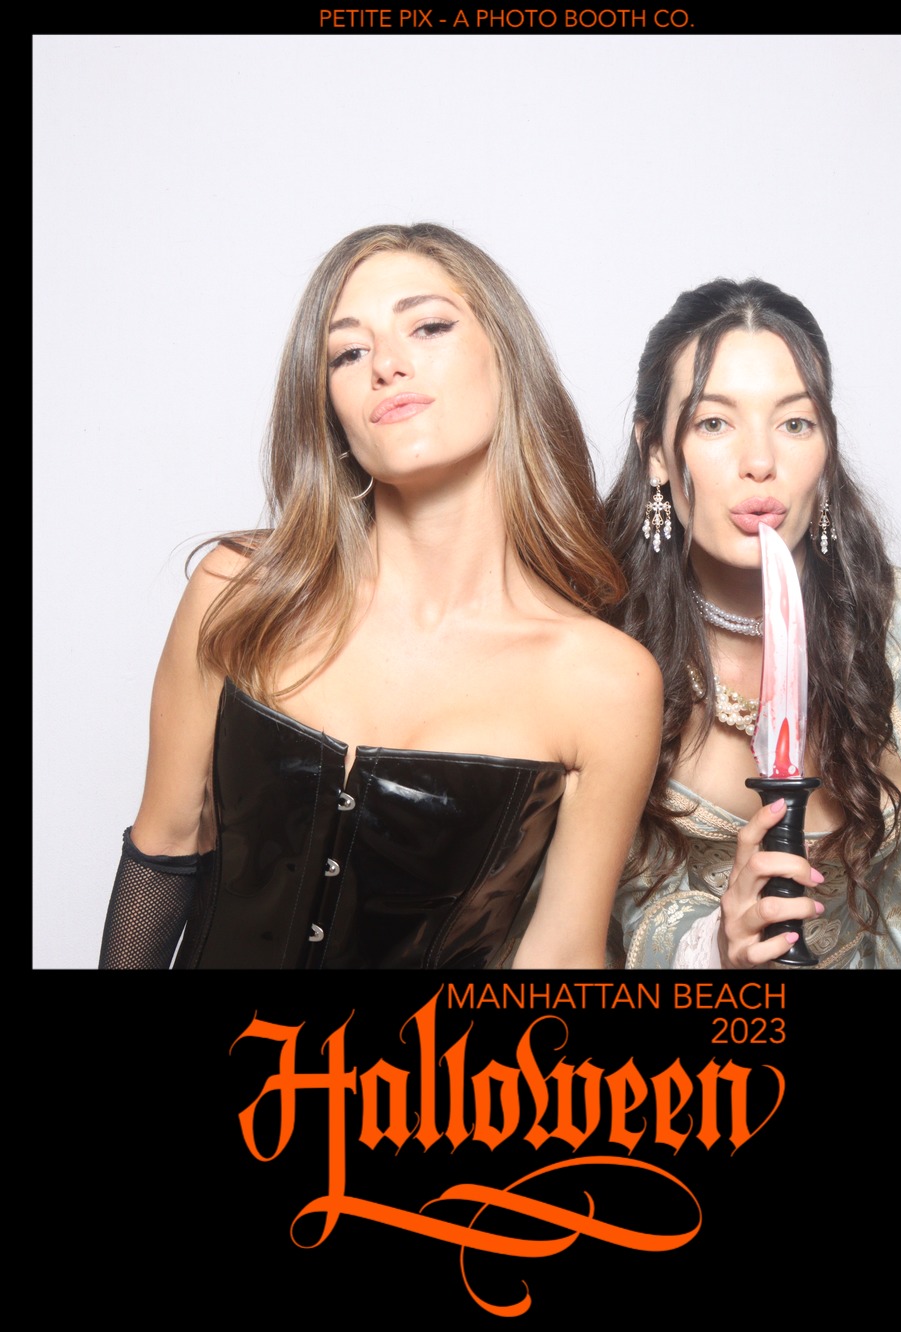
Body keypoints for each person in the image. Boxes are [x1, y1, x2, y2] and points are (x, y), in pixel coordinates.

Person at [99, 223, 662, 970]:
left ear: (507, 358)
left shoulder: (604, 682)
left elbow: (560, 957)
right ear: (328, 407)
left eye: (428, 327)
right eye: (348, 353)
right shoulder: (236, 594)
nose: (387, 365)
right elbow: (165, 849)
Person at [604, 278, 901, 970]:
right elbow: (607, 913)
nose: (760, 463)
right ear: (654, 451)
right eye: (714, 423)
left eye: (795, 423)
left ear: (827, 449)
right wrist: (714, 948)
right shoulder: (603, 656)